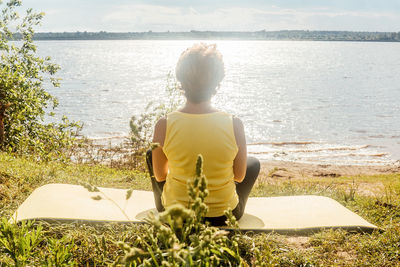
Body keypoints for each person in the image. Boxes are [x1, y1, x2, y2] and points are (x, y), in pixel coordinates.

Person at [147, 43, 260, 226]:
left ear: (180, 80)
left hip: (176, 214)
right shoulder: (234, 124)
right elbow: (239, 176)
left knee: (151, 154)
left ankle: (166, 202)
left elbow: (160, 176)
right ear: (218, 81)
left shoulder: (164, 124)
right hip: (223, 216)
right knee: (253, 164)